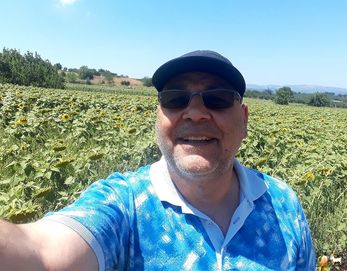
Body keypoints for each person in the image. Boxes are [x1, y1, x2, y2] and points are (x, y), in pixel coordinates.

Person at [0, 50, 316, 271]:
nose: (194, 112)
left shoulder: (283, 203)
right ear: (158, 116)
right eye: (175, 98)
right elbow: (42, 254)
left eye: (217, 98)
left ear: (244, 120)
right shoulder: (125, 205)